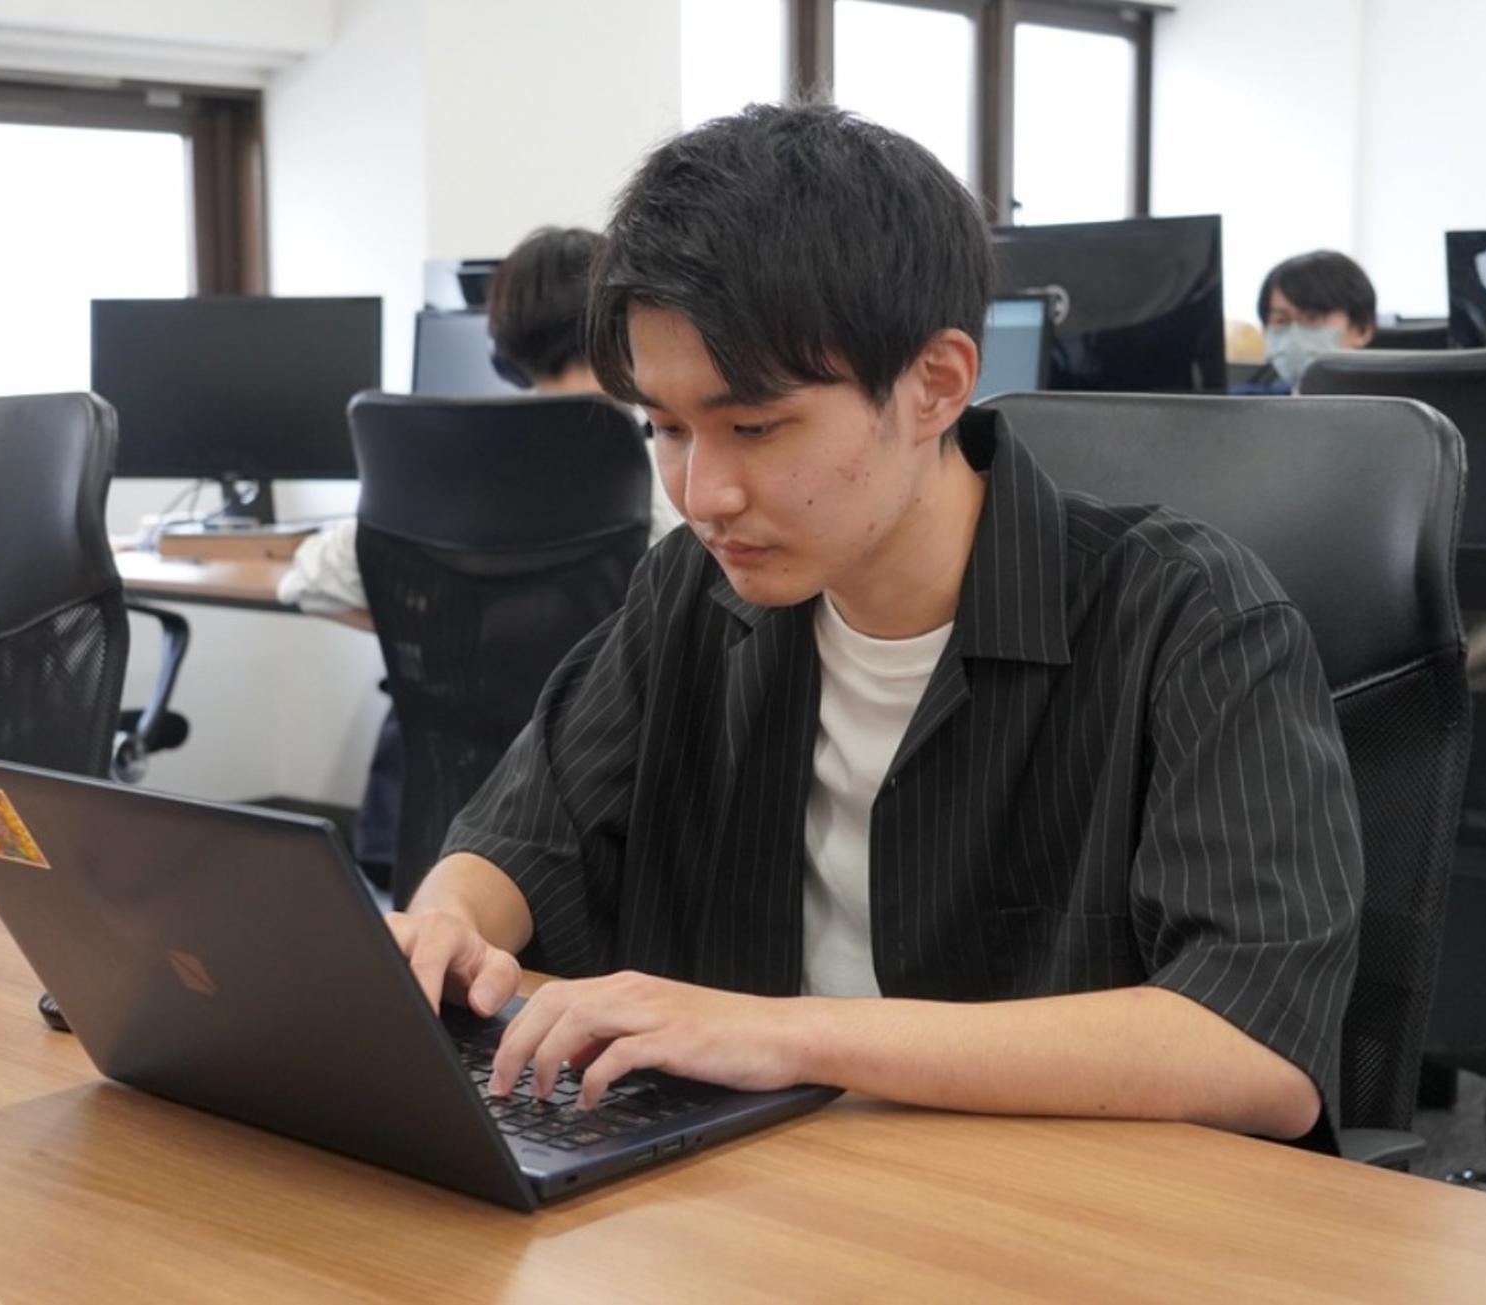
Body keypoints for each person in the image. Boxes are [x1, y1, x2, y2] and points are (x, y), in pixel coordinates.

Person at [391, 104, 1363, 1149]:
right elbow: (519, 837)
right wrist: (449, 923)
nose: (703, 495)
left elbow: (1255, 1047)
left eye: (755, 426)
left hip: (1045, 1208)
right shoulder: (691, 593)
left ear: (936, 384)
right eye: (665, 429)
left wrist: (787, 1036)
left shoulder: (1187, 615)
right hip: (751, 1185)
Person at [279, 225, 684, 619]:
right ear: (627, 333)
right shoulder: (659, 476)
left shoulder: (447, 476)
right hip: (617, 669)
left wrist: (438, 632)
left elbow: (307, 583)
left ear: (503, 357)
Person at [1236, 250, 1378, 394]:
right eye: (1280, 320)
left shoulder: (1388, 405)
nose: (1294, 337)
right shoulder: (1243, 404)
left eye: (1312, 318)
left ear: (1361, 329)